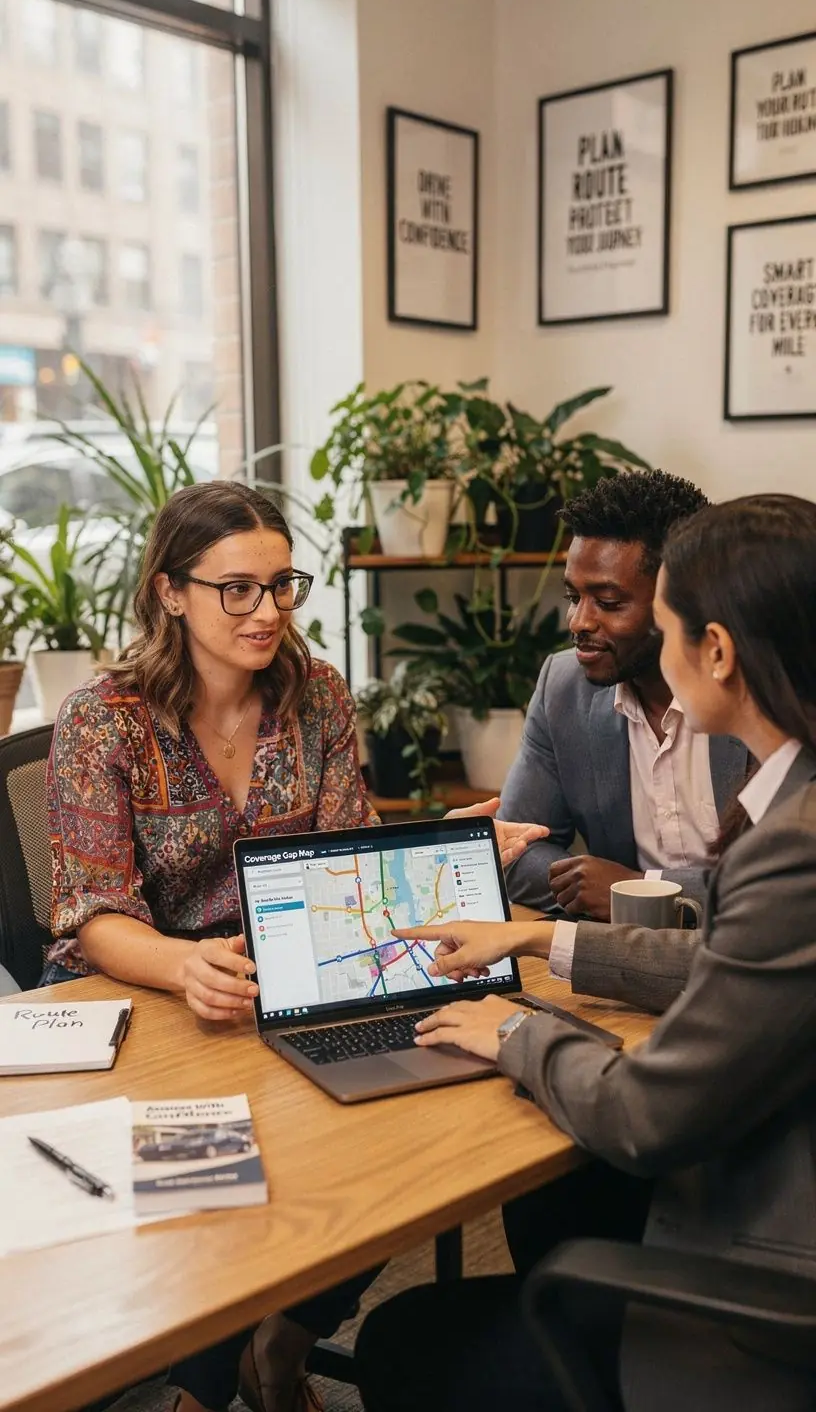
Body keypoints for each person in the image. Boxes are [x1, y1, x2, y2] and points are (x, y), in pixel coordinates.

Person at [45, 479, 545, 1412]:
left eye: (282, 585)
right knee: (222, 1194)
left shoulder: (316, 696)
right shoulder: (103, 718)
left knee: (397, 1151)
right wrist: (183, 963)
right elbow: (92, 909)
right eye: (238, 587)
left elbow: (343, 855)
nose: (267, 610)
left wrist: (437, 842)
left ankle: (284, 1342)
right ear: (170, 592)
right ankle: (196, 1386)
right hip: (143, 992)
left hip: (290, 972)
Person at [355, 493, 816, 1412]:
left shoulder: (793, 842)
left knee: (400, 1339)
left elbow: (646, 1117)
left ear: (713, 650)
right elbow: (738, 965)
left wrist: (515, 1034)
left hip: (762, 1316)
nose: (578, 627)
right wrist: (542, 938)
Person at [500, 469, 749, 921]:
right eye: (573, 596)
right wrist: (596, 886)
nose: (579, 621)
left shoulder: (758, 688)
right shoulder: (564, 686)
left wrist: (635, 890)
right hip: (617, 964)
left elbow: (782, 880)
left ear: (684, 599)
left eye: (609, 603)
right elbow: (514, 851)